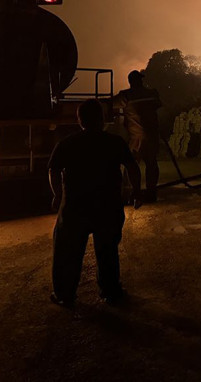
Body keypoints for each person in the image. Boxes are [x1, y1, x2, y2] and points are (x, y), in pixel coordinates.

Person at [48, 99, 142, 307]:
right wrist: (136, 192)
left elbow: (53, 169)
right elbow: (132, 167)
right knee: (107, 250)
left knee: (68, 252)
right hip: (107, 207)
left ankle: (64, 294)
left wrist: (57, 195)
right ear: (101, 119)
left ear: (80, 120)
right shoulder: (114, 142)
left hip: (75, 207)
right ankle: (110, 291)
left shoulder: (68, 143)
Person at [115, 70, 162, 202]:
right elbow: (158, 105)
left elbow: (111, 103)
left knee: (132, 165)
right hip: (152, 136)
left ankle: (135, 192)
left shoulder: (126, 96)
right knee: (151, 164)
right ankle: (151, 192)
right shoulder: (152, 93)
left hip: (137, 137)